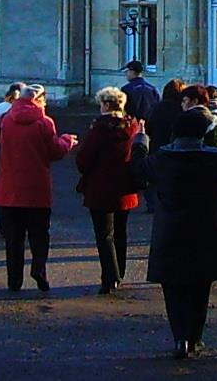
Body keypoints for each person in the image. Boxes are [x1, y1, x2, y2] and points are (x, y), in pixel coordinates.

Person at [142, 106, 217, 358]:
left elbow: (138, 166)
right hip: (206, 229)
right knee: (200, 287)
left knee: (173, 288)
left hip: (170, 230)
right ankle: (195, 337)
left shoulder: (162, 159)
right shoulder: (213, 158)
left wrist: (140, 140)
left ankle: (180, 337)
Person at [0, 82, 77, 292]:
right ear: (38, 100)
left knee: (13, 239)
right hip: (37, 188)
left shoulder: (5, 119)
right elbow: (55, 151)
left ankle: (14, 281)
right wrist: (67, 141)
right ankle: (38, 269)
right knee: (39, 234)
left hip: (8, 189)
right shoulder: (44, 122)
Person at [74, 86, 144, 294]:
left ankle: (110, 276)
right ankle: (119, 272)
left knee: (105, 235)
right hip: (125, 188)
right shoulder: (132, 127)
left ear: (105, 104)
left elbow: (84, 160)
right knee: (120, 232)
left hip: (100, 188)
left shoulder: (99, 129)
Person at [145, 77, 187, 152]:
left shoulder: (156, 107)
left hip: (157, 147)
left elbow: (148, 128)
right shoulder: (182, 109)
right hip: (176, 149)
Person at [121, 60, 159, 131]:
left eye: (127, 71)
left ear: (132, 72)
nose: (126, 74)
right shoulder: (152, 89)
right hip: (149, 126)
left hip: (132, 126)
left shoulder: (126, 89)